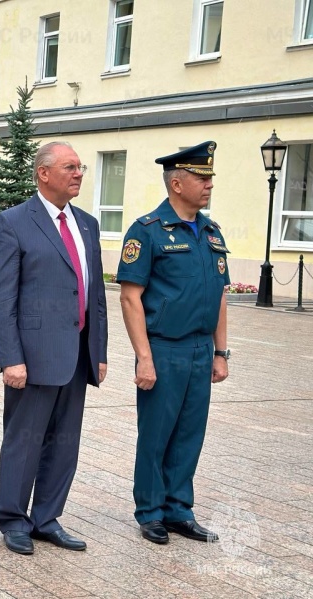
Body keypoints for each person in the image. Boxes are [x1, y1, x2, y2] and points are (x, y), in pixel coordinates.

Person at [0, 141, 108, 555]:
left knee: (65, 439)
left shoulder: (87, 225)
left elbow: (96, 294)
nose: (78, 174)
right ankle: (14, 520)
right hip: (33, 357)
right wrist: (10, 358)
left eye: (81, 167)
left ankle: (46, 518)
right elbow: (1, 298)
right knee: (25, 438)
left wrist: (99, 350)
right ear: (43, 173)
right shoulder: (13, 222)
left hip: (76, 353)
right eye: (70, 167)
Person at [116, 141, 229, 545]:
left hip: (200, 350)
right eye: (202, 177)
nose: (209, 184)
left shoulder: (211, 233)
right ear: (177, 183)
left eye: (210, 177)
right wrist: (143, 358)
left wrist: (221, 352)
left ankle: (179, 509)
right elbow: (130, 297)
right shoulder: (147, 231)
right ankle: (149, 512)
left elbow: (219, 296)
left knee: (189, 434)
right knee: (157, 433)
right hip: (164, 349)